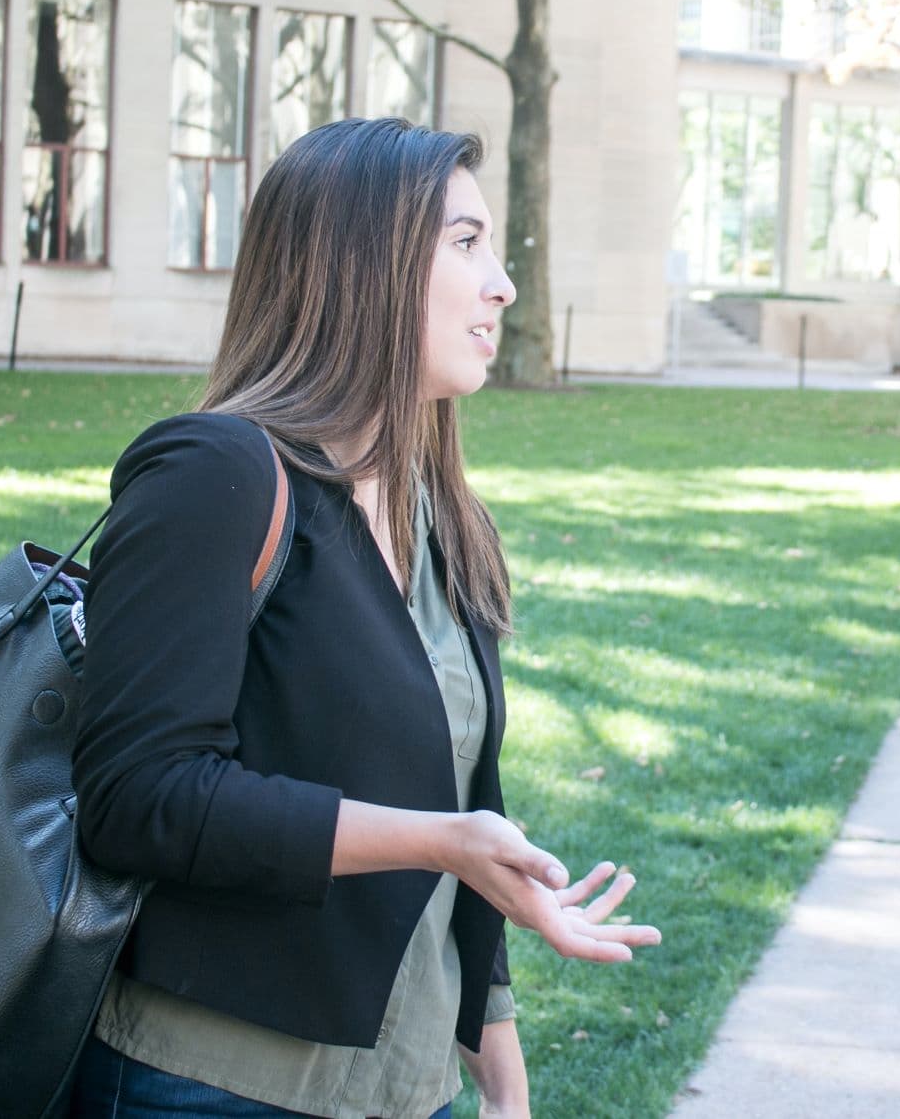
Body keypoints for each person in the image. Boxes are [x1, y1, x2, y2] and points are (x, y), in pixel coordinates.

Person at [67, 118, 660, 1119]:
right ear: (362, 262)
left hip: (406, 1087)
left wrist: (504, 1084)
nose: (501, 284)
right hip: (215, 1085)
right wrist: (438, 839)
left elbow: (466, 801)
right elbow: (137, 795)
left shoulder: (436, 510)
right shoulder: (215, 474)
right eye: (465, 243)